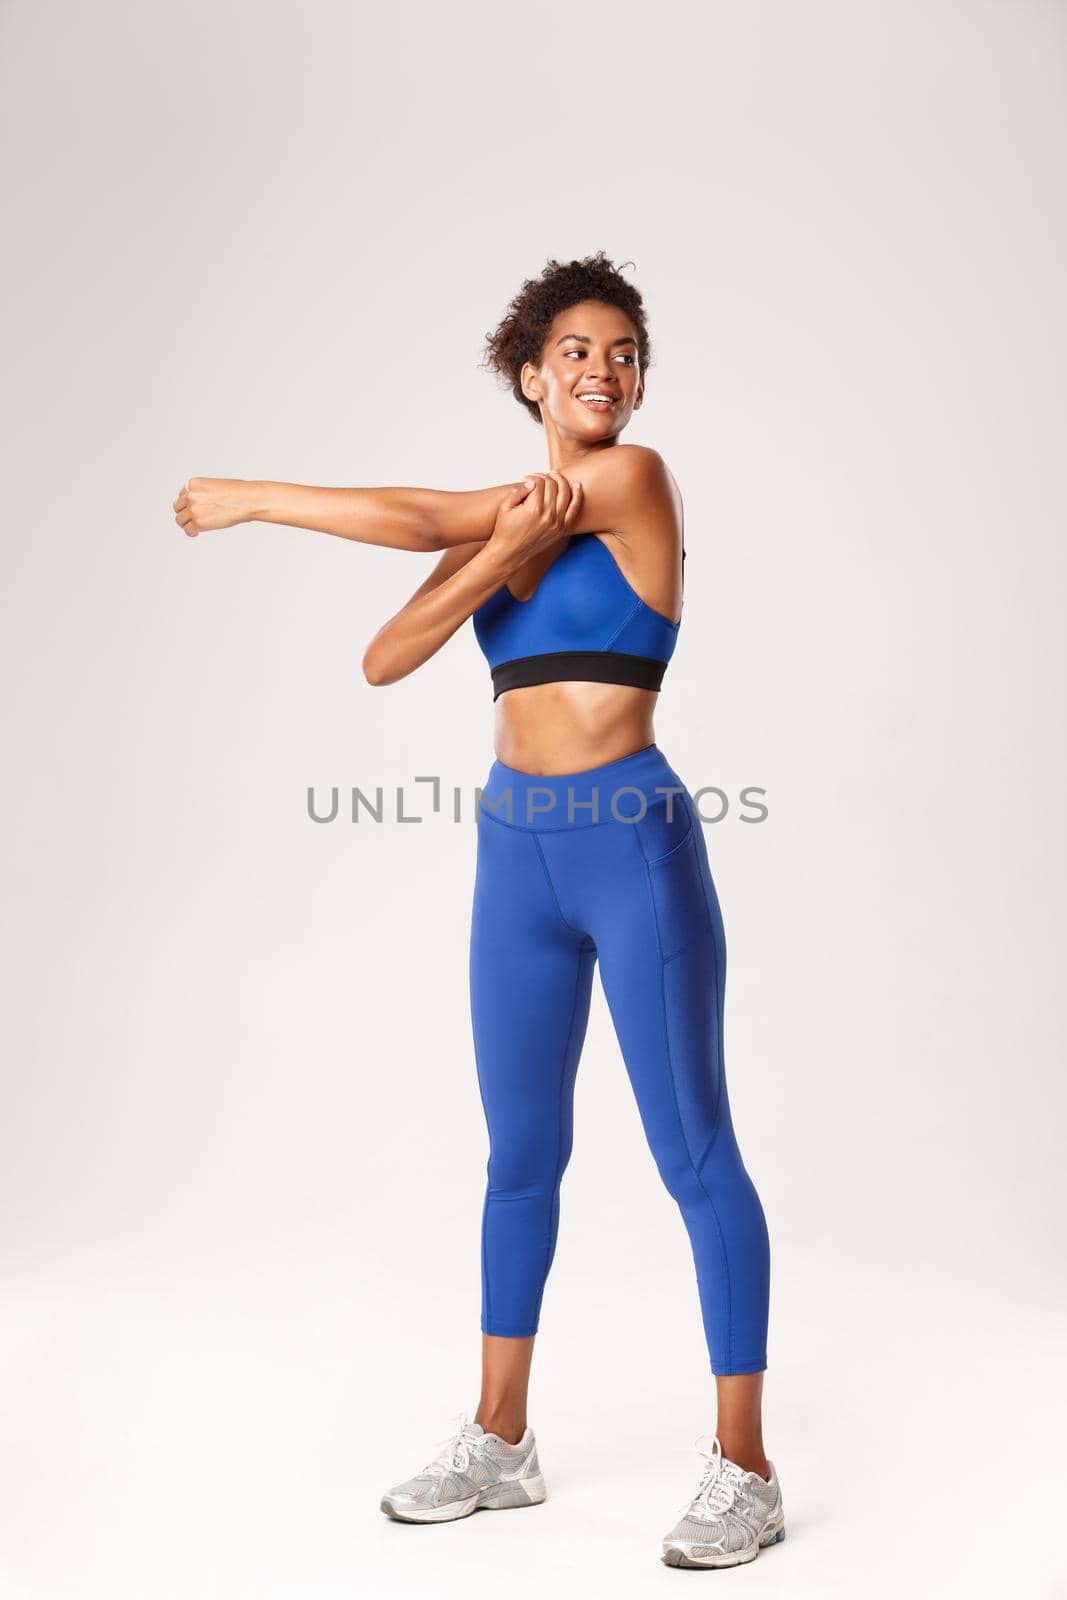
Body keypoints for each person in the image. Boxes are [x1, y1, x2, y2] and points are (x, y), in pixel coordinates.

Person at [172, 252, 784, 1570]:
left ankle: (747, 1465)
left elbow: (424, 519)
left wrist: (266, 500)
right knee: (519, 1158)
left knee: (692, 1153)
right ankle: (502, 1439)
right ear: (531, 375)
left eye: (625, 352)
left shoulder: (633, 480)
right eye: (578, 350)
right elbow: (389, 653)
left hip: (631, 839)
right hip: (515, 855)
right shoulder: (515, 518)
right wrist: (489, 547)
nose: (605, 369)